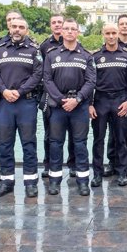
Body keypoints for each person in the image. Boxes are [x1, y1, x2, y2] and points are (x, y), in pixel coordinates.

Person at [43, 18, 96, 196]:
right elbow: (47, 80)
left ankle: (82, 181)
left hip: (79, 106)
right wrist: (60, 100)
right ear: (62, 31)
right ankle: (55, 181)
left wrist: (78, 99)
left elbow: (91, 81)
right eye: (67, 28)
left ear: (78, 32)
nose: (70, 32)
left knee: (80, 144)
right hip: (58, 106)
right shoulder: (51, 54)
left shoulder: (86, 56)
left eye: (73, 29)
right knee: (56, 143)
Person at [0, 17, 42, 198]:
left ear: (26, 30)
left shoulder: (34, 50)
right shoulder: (0, 50)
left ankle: (30, 182)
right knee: (5, 144)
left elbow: (37, 74)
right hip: (5, 103)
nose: (17, 30)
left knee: (28, 144)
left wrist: (19, 91)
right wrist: (4, 90)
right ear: (9, 28)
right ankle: (7, 181)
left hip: (26, 102)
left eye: (21, 27)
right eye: (14, 26)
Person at [90, 23, 127, 187]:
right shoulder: (95, 57)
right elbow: (90, 82)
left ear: (117, 34)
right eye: (107, 33)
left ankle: (122, 173)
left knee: (121, 139)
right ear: (103, 33)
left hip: (120, 100)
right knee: (98, 139)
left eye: (113, 33)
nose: (110, 36)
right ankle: (97, 173)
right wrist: (90, 104)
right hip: (100, 101)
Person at [105, 13, 127, 178]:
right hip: (115, 97)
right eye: (122, 24)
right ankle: (112, 162)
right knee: (113, 131)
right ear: (118, 27)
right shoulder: (111, 43)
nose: (125, 26)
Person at [39, 13, 65, 178]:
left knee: (73, 134)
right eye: (54, 22)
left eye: (60, 22)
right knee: (50, 133)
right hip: (50, 96)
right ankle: (48, 164)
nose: (57, 25)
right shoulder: (44, 46)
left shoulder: (74, 43)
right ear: (51, 26)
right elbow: (42, 72)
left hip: (71, 96)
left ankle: (73, 163)